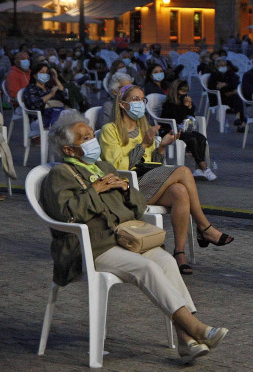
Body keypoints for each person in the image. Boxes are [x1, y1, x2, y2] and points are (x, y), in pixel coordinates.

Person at [43, 112, 228, 364]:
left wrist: (126, 189)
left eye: (91, 135)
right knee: (148, 268)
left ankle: (186, 341)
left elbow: (138, 208)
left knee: (166, 262)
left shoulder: (103, 167)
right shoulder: (61, 175)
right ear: (69, 148)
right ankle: (195, 328)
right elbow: (65, 214)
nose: (91, 141)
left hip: (125, 239)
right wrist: (95, 190)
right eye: (85, 138)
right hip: (93, 248)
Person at [99, 85, 233, 274]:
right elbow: (119, 168)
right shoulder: (109, 130)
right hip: (126, 189)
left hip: (146, 182)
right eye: (135, 99)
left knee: (180, 192)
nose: (140, 103)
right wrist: (144, 145)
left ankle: (179, 252)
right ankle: (204, 227)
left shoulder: (143, 128)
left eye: (142, 99)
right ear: (122, 104)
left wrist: (161, 148)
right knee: (184, 171)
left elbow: (153, 165)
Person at [161, 80, 216, 181]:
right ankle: (204, 167)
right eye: (182, 91)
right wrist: (185, 107)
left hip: (184, 130)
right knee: (192, 140)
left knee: (201, 138)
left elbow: (190, 116)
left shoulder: (183, 101)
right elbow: (178, 118)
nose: (184, 94)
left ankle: (198, 169)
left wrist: (190, 107)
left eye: (186, 91)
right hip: (172, 130)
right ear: (176, 91)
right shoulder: (169, 104)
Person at [23, 62, 71, 136]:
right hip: (40, 119)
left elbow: (65, 96)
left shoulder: (49, 87)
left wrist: (56, 78)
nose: (45, 74)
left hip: (56, 115)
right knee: (68, 122)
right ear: (35, 75)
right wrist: (50, 94)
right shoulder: (31, 88)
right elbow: (34, 105)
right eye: (42, 72)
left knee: (72, 117)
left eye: (46, 73)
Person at [208, 57, 245, 131]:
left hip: (230, 96)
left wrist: (225, 84)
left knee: (237, 97)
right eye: (220, 65)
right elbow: (214, 87)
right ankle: (240, 123)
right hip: (219, 98)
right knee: (237, 97)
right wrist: (226, 88)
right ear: (217, 66)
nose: (223, 67)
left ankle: (239, 119)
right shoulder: (214, 75)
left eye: (224, 65)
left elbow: (236, 83)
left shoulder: (230, 74)